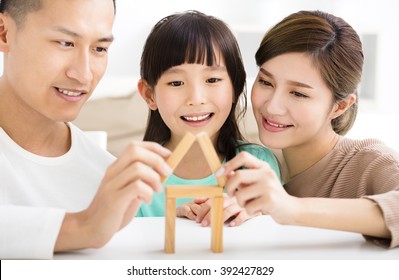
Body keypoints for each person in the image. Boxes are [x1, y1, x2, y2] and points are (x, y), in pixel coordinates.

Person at [0, 0, 172, 259]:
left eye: (99, 48)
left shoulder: (106, 178)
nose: (84, 75)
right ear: (4, 32)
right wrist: (82, 226)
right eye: (65, 43)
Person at [218, 10, 399, 248]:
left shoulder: (369, 162)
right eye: (265, 82)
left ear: (340, 106)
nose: (272, 106)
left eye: (299, 93)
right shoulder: (250, 160)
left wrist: (291, 207)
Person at [137, 10, 280, 227]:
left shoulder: (256, 166)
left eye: (212, 79)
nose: (196, 99)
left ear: (236, 86)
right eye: (176, 83)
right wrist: (168, 226)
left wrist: (253, 213)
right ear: (149, 94)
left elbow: (277, 235)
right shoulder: (137, 177)